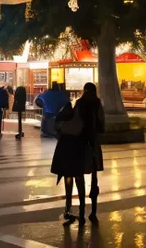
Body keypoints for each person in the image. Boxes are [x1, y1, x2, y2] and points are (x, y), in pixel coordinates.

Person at [51, 82, 104, 225]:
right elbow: (102, 126)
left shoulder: (79, 104)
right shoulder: (97, 104)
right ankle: (92, 211)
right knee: (93, 178)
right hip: (92, 144)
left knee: (75, 175)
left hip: (78, 144)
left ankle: (75, 210)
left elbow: (74, 122)